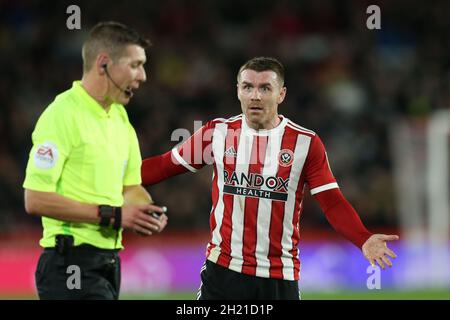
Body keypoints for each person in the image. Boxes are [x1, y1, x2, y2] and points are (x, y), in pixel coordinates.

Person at [140, 57, 399, 300]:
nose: (255, 95)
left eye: (265, 88)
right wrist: (112, 179)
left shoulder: (305, 143)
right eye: (247, 87)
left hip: (278, 276)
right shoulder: (216, 134)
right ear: (238, 91)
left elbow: (331, 201)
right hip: (222, 271)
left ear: (281, 94)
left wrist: (363, 238)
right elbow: (163, 166)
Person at [23, 21, 168, 300]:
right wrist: (114, 215)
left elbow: (130, 188)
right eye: (135, 64)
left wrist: (145, 212)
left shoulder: (120, 117)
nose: (144, 76)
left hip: (108, 262)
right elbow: (35, 199)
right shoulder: (62, 114)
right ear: (103, 63)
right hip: (70, 264)